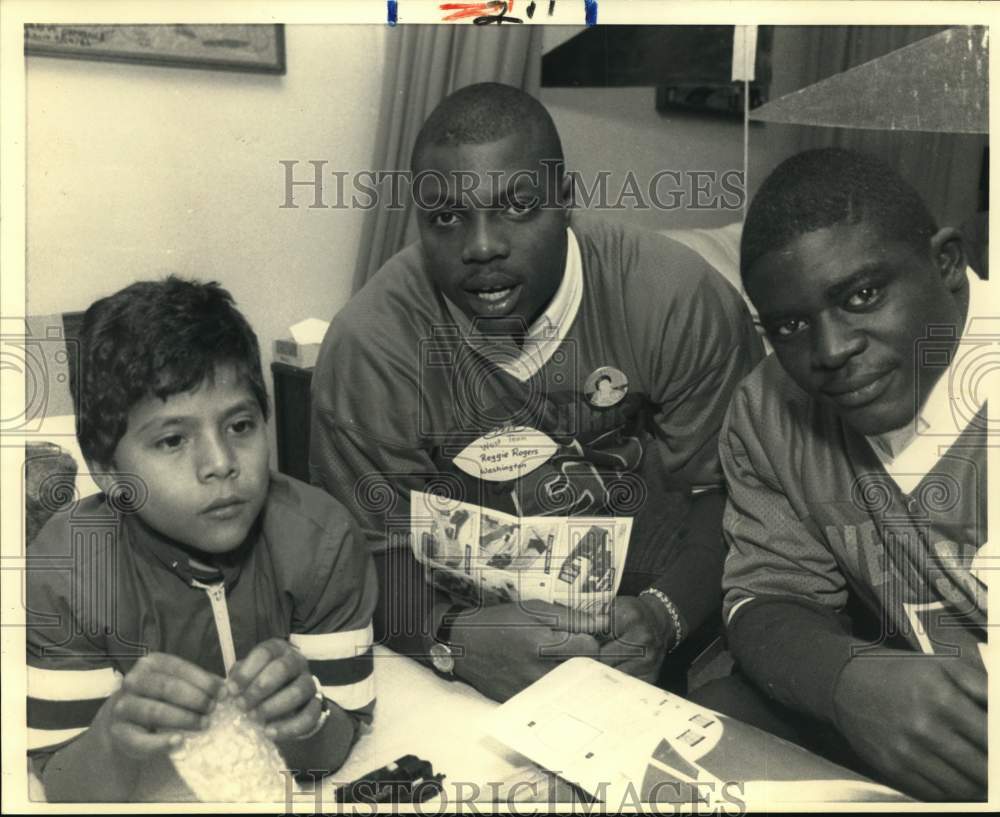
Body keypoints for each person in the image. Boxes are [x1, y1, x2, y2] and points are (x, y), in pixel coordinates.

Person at [310, 82, 762, 701]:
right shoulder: (370, 347)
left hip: (660, 617)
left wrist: (663, 616)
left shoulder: (676, 298)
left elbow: (736, 498)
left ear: (565, 200)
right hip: (457, 631)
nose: (482, 246)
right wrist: (451, 637)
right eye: (447, 217)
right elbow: (370, 551)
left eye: (518, 207)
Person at [701, 148, 987, 801]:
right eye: (792, 325)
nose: (830, 350)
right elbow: (767, 598)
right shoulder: (770, 408)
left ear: (945, 264)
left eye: (862, 295)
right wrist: (845, 679)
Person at [26, 278, 377, 801]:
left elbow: (337, 742)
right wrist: (113, 741)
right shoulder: (62, 575)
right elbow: (62, 784)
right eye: (172, 440)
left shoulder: (323, 540)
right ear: (110, 475)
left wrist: (307, 719)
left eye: (239, 426)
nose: (220, 464)